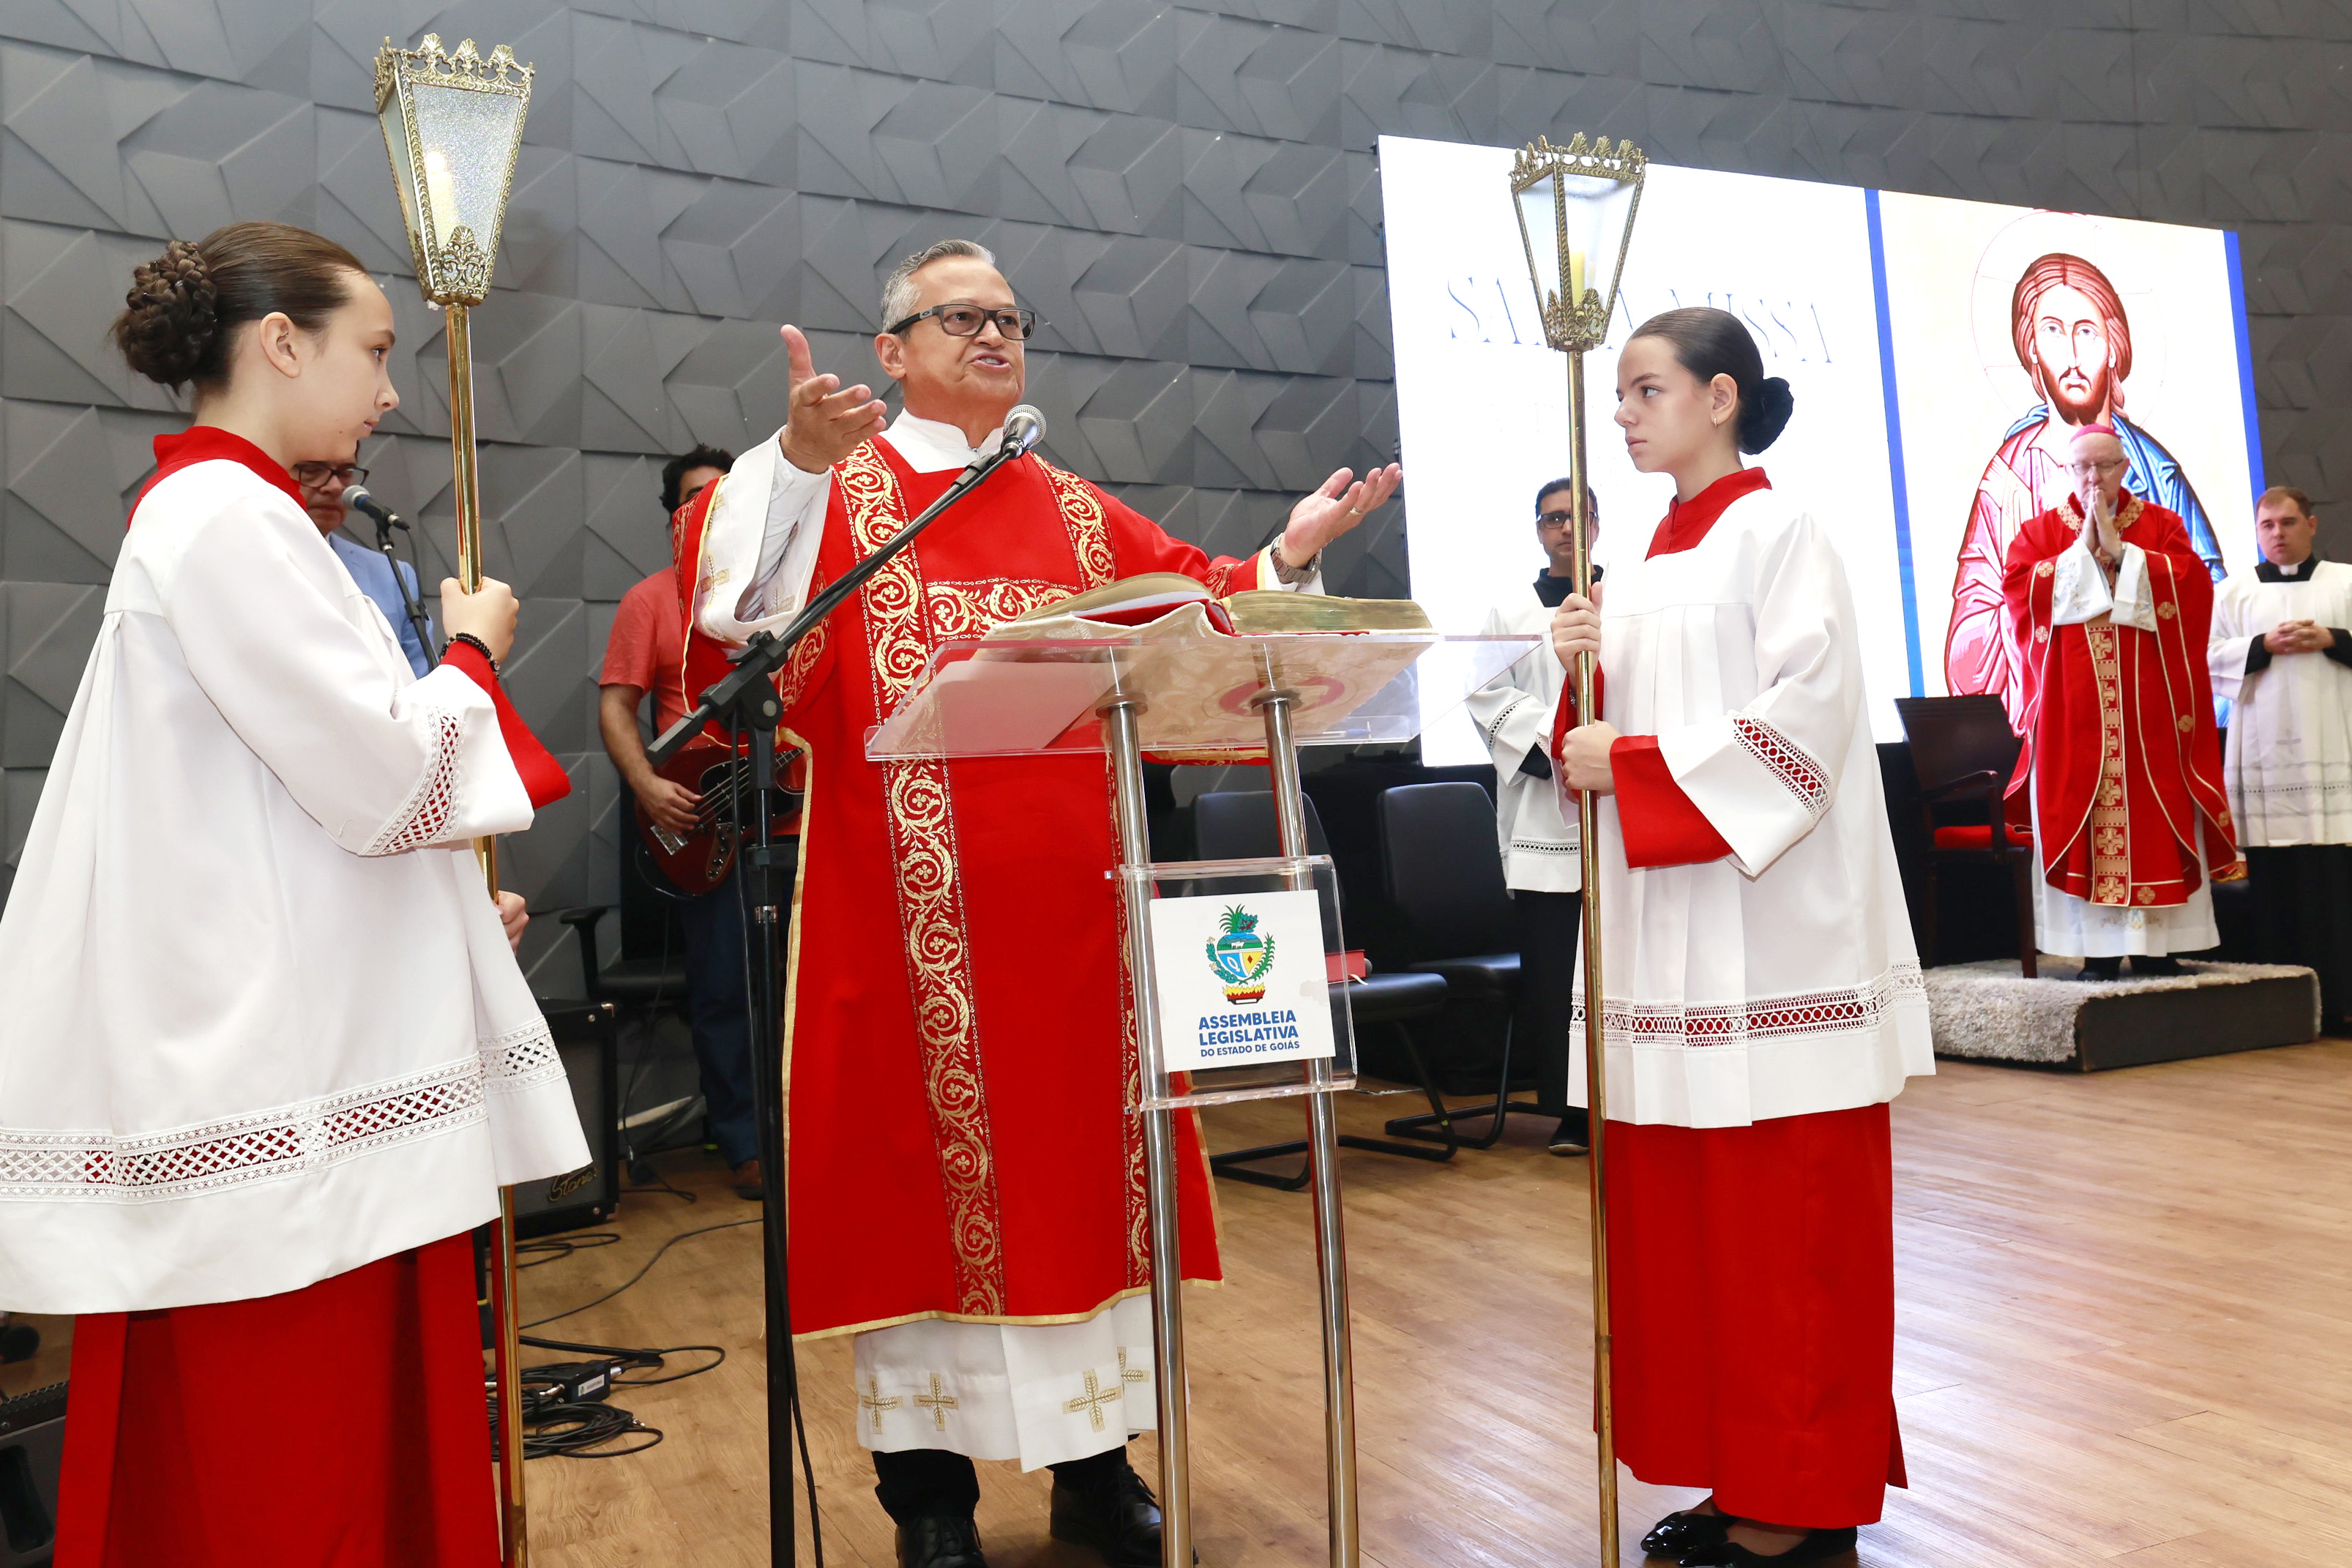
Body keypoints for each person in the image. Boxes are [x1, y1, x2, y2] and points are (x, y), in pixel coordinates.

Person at [671, 238, 1399, 1568]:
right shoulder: (838, 492)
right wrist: (797, 461)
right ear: (890, 352)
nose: (995, 335)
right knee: (915, 1205)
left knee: (1086, 1204)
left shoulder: (1069, 507)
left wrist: (1286, 552)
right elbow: (736, 619)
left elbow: (1195, 601)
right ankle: (929, 1499)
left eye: (1008, 316)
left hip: (1077, 934)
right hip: (905, 932)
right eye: (960, 317)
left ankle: (1094, 1473)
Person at [0, 221, 583, 1564]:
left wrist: (445, 926)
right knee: (291, 1467)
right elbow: (388, 780)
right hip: (271, 1070)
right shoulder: (226, 517)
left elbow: (277, 809)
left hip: (315, 1035)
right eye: (372, 351)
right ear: (280, 342)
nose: (389, 389)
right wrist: (474, 653)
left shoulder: (236, 514)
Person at [1550, 306, 1933, 1565]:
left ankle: (1801, 1503)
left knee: (1789, 1234)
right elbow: (1587, 742)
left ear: (1720, 397)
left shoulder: (1782, 530)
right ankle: (1738, 1470)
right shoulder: (1634, 565)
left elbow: (1807, 720)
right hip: (1666, 943)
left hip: (1774, 936)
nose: (1621, 413)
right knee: (1694, 1236)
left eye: (1645, 389)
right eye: (1617, 393)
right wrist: (1575, 671)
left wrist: (1631, 764)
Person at [2001, 423, 2244, 979]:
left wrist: (2123, 554)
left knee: (2159, 814)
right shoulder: (2040, 532)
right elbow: (2019, 595)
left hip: (2150, 715)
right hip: (2075, 714)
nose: (2093, 478)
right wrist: (2079, 557)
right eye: (2082, 467)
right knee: (2084, 816)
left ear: (2124, 468)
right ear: (2067, 471)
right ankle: (2099, 952)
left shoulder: (2162, 526)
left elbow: (2192, 589)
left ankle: (2161, 949)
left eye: (2105, 465)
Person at [1947, 253, 2222, 728]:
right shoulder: (2007, 481)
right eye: (2053, 332)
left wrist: (2125, 560)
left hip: (2144, 711)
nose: (2072, 357)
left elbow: (2209, 601)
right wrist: (2070, 573)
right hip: (2060, 710)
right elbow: (1970, 638)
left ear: (2113, 347)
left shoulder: (2159, 477)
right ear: (2031, 349)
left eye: (2087, 332)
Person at [597, 443, 767, 1200]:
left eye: (724, 496)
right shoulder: (648, 601)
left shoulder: (785, 596)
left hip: (791, 818)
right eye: (694, 499)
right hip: (705, 827)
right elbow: (616, 708)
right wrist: (646, 785)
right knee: (725, 990)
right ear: (673, 517)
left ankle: (814, 1139)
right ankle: (744, 1143)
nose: (709, 511)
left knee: (807, 991)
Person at [1463, 476, 1598, 1154]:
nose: (1566, 529)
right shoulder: (1510, 611)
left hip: (1621, 809)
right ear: (1538, 531)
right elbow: (1485, 694)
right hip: (1544, 815)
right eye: (1552, 519)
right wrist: (1558, 740)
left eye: (1577, 516)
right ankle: (1571, 1112)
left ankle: (1634, 1102)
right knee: (1555, 974)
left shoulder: (1631, 601)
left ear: (1596, 523)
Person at [2210, 485, 2352, 1023]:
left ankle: (2342, 1003)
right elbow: (2205, 657)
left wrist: (2333, 639)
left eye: (2288, 523)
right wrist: (2260, 646)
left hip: (2334, 741)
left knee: (2335, 877)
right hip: (2265, 754)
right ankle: (2283, 1010)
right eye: (2267, 525)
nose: (2277, 534)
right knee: (2276, 881)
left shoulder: (2344, 581)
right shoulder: (2233, 592)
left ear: (2310, 525)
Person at [297, 453, 435, 676]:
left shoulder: (394, 575)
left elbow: (423, 678)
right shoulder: (247, 560)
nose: (335, 487)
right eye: (313, 471)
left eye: (345, 473)